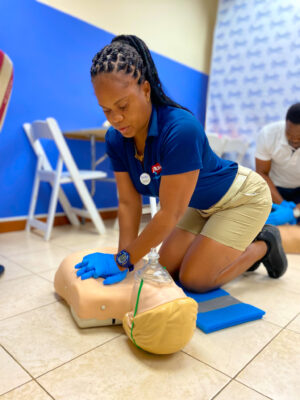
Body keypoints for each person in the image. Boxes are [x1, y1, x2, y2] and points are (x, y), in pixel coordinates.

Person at [75, 35, 287, 292]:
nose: (116, 118)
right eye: (106, 110)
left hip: (242, 197)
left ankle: (264, 243)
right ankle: (223, 245)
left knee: (194, 279)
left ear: (145, 89)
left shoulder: (180, 129)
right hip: (197, 205)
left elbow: (169, 213)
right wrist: (125, 260)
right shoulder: (115, 138)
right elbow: (129, 203)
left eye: (122, 105)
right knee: (166, 271)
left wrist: (122, 261)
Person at [256, 104, 300, 225]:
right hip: (274, 188)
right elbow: (261, 173)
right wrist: (282, 205)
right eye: (289, 135)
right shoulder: (268, 134)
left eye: (299, 137)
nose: (295, 140)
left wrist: (296, 211)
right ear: (285, 124)